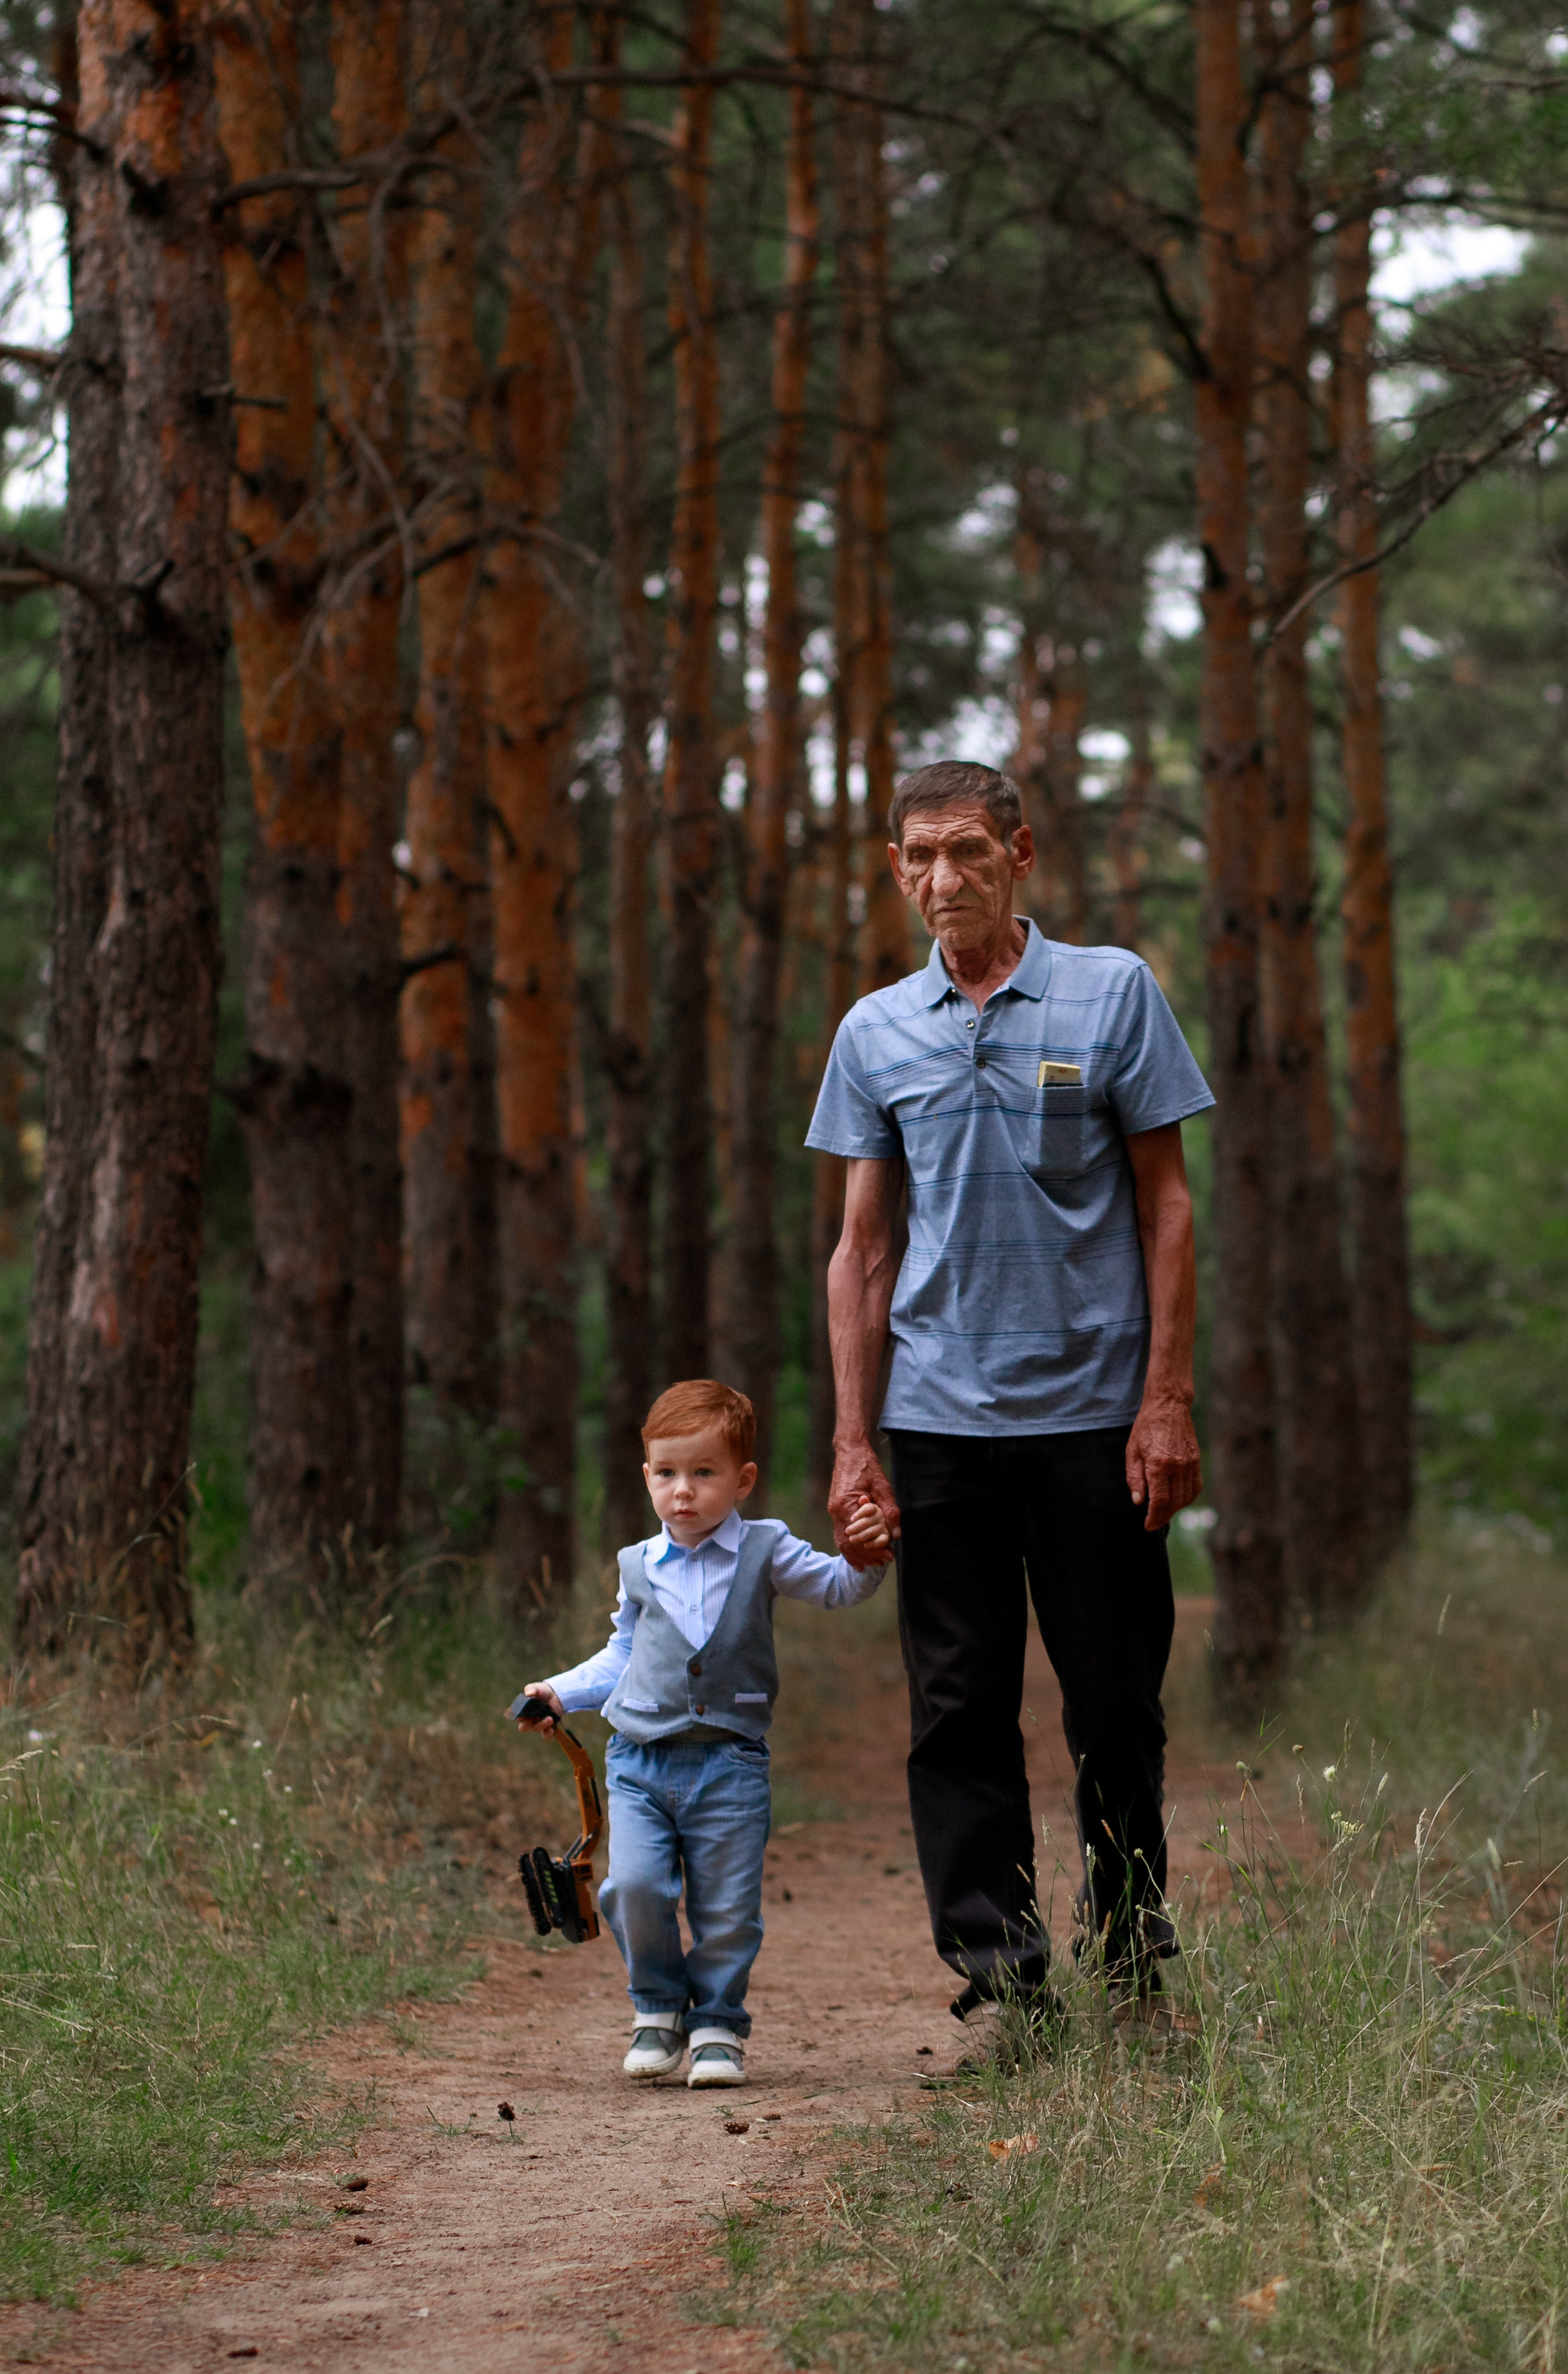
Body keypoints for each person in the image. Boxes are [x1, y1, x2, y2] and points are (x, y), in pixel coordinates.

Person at [805, 761, 1213, 2045]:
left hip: (1095, 1420)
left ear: (1020, 854)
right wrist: (852, 1443)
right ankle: (1003, 1983)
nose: (944, 880)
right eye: (920, 857)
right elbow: (864, 1250)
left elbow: (1168, 1205)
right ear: (896, 869)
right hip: (936, 1427)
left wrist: (1166, 1401)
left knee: (1112, 1703)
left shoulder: (1113, 992)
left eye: (969, 852)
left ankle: (1135, 1957)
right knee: (959, 1710)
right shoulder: (876, 1031)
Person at [511, 1378, 891, 2088]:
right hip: (639, 1761)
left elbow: (839, 1585)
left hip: (730, 1764)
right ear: (647, 1476)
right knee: (633, 1886)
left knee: (727, 1904)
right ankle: (657, 2007)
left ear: (743, 1480)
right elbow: (623, 1655)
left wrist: (867, 1557)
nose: (683, 1491)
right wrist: (558, 1690)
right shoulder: (637, 1564)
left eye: (704, 1473)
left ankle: (717, 2023)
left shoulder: (767, 1550)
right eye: (667, 1473)